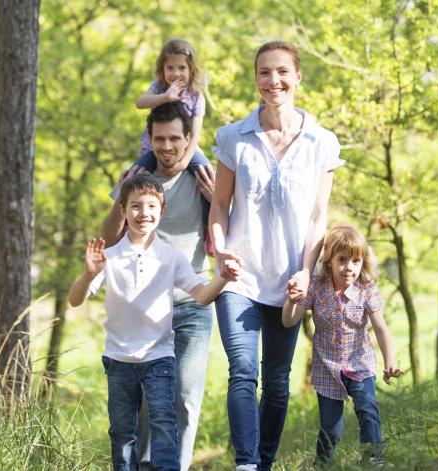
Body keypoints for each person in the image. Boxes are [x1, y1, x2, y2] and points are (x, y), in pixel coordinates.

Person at [208, 40, 346, 471]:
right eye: (264, 72)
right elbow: (219, 205)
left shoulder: (321, 142)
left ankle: (264, 462)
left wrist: (306, 272)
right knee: (243, 372)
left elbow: (318, 216)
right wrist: (221, 250)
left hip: (291, 280)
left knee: (278, 384)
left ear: (298, 76)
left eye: (282, 71)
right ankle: (247, 463)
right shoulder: (235, 136)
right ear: (256, 79)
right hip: (241, 279)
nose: (274, 81)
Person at [68, 173, 239, 471]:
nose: (143, 213)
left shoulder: (172, 257)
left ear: (162, 211)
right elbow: (75, 299)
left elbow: (200, 296)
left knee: (164, 425)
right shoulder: (109, 258)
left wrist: (223, 278)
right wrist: (89, 274)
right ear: (123, 211)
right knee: (122, 432)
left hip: (159, 357)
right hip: (119, 359)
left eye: (150, 206)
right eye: (135, 206)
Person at [100, 102, 227, 471]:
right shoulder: (138, 178)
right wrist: (118, 201)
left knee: (184, 397)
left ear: (189, 138)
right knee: (141, 401)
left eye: (175, 138)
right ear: (150, 140)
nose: (167, 146)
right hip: (144, 310)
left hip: (190, 303)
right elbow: (108, 241)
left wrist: (217, 199)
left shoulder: (204, 175)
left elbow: (229, 232)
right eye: (159, 138)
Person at [283, 224, 404, 468]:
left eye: (356, 261)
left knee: (367, 409)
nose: (349, 267)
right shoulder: (316, 288)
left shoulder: (367, 290)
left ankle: (373, 459)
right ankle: (322, 465)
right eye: (342, 260)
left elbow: (381, 329)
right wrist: (291, 301)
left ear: (363, 263)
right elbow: (289, 321)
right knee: (331, 428)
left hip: (360, 363)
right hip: (327, 368)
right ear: (329, 261)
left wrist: (389, 362)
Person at [133, 38, 213, 255]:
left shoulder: (195, 96)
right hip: (154, 148)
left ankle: (210, 230)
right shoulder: (159, 87)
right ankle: (126, 227)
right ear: (162, 69)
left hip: (187, 149)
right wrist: (165, 97)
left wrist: (184, 162)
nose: (175, 73)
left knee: (208, 175)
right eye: (170, 68)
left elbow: (195, 134)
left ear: (191, 70)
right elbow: (140, 103)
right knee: (134, 176)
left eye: (181, 68)